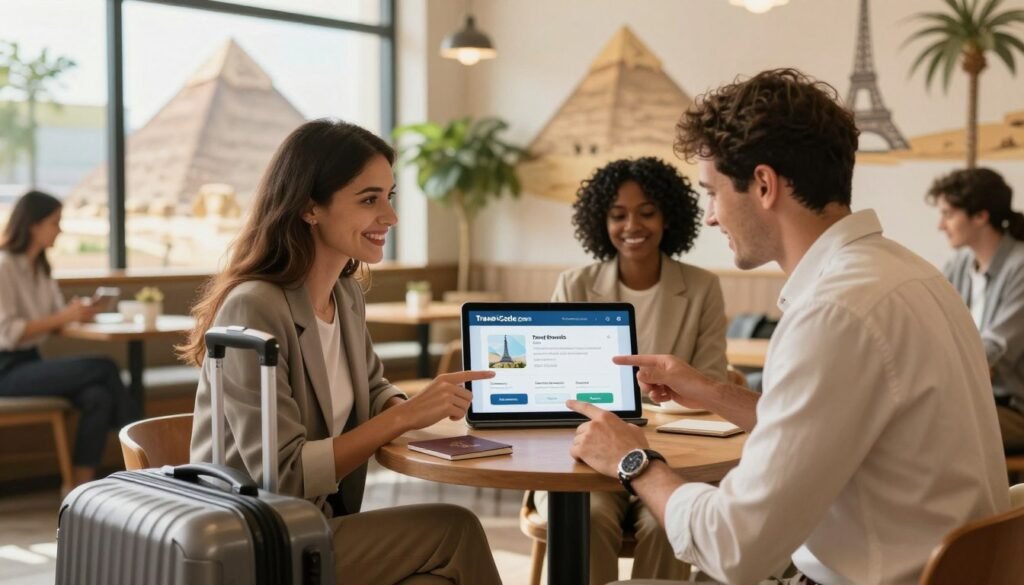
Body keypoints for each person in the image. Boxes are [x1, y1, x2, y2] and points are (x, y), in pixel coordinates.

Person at [565, 69, 1008, 585]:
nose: (709, 217)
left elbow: (733, 548)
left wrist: (633, 458)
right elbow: (832, 421)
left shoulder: (832, 312)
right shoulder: (912, 274)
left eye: (712, 193)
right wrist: (710, 392)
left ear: (763, 184)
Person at [181, 119, 502, 585]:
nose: (389, 217)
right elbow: (284, 475)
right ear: (311, 208)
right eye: (369, 199)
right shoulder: (254, 306)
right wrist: (404, 418)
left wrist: (404, 407)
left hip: (314, 525)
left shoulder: (345, 295)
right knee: (455, 530)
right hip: (257, 541)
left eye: (389, 197)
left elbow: (371, 386)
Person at [539, 156, 728, 584]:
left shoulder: (702, 288)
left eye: (646, 212)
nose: (632, 226)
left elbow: (710, 384)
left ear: (668, 217)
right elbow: (556, 387)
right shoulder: (574, 285)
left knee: (668, 520)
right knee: (585, 517)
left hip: (673, 455)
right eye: (618, 215)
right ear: (600, 221)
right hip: (584, 452)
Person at [0, 190, 135, 490]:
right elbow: (9, 332)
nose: (59, 230)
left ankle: (77, 488)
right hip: (6, 371)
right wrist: (64, 317)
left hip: (29, 364)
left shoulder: (41, 268)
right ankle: (143, 450)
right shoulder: (4, 266)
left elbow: (52, 317)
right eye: (54, 222)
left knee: (98, 397)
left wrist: (77, 313)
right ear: (33, 225)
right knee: (104, 366)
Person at [928, 167, 1024, 454]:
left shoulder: (1020, 267)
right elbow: (933, 325)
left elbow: (995, 349)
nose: (940, 225)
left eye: (948, 214)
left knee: (926, 427)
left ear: (980, 216)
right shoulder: (959, 265)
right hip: (970, 397)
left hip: (1011, 407)